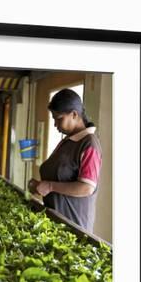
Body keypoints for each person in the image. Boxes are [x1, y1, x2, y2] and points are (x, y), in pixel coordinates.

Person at [28, 88, 102, 233]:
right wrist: (39, 186)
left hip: (72, 228)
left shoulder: (89, 144)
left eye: (59, 118)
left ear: (74, 114)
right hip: (56, 222)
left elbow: (86, 187)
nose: (55, 125)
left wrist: (49, 186)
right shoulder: (68, 141)